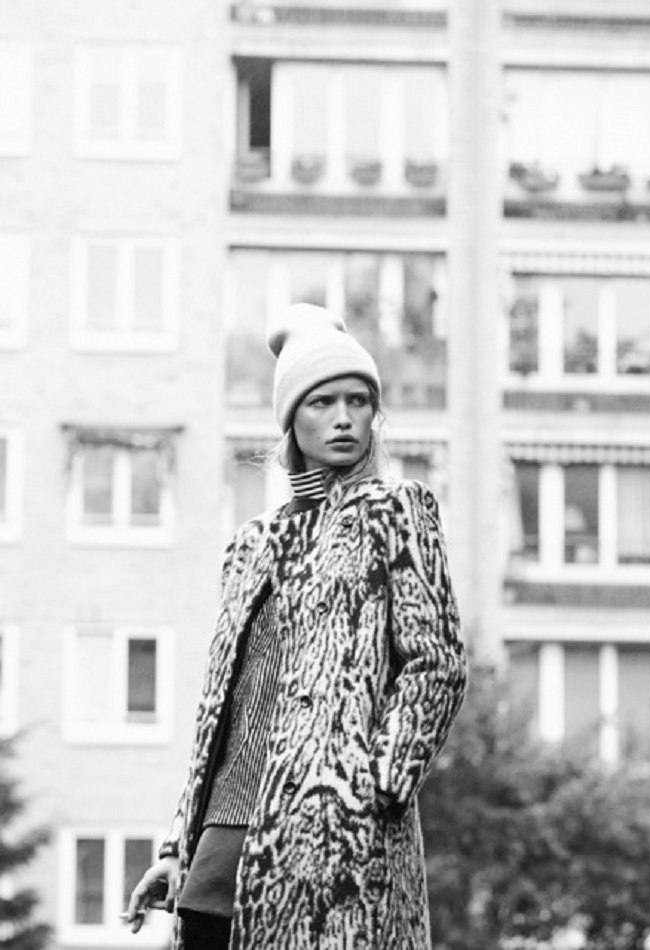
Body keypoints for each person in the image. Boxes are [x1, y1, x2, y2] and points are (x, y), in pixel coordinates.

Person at [125, 303, 467, 950]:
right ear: (291, 419)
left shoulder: (397, 511)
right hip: (223, 836)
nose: (343, 417)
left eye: (358, 401)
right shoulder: (250, 544)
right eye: (322, 402)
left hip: (333, 836)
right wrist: (176, 846)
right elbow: (221, 712)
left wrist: (374, 785)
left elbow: (437, 663)